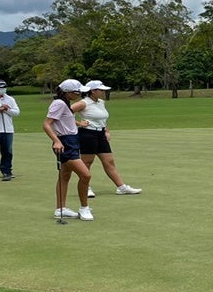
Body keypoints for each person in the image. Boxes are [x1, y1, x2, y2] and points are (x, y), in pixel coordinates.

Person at [73, 80, 142, 196]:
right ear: (93, 91)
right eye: (101, 90)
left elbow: (102, 119)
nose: (104, 92)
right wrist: (79, 123)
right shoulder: (83, 103)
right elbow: (66, 113)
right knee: (87, 162)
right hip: (87, 134)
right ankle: (86, 187)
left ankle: (121, 187)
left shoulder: (101, 102)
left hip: (100, 135)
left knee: (109, 162)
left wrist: (106, 130)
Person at [44, 79, 94, 222]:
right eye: (76, 92)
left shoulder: (64, 103)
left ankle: (61, 208)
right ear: (67, 92)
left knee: (65, 176)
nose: (79, 94)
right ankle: (84, 208)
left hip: (71, 141)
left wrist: (79, 123)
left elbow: (65, 120)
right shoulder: (59, 104)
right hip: (65, 143)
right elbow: (46, 124)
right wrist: (57, 141)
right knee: (86, 175)